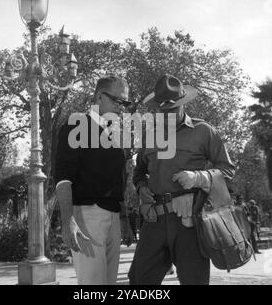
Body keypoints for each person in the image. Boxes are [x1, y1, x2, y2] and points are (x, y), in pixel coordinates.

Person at [129, 74, 235, 285]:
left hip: (190, 223)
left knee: (194, 281)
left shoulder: (204, 131)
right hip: (154, 221)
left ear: (183, 105)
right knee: (138, 281)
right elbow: (139, 171)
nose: (167, 115)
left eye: (173, 110)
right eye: (163, 111)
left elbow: (228, 171)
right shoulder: (149, 135)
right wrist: (141, 187)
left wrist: (198, 178)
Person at [55, 75, 133, 285]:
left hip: (114, 218)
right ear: (99, 97)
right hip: (86, 216)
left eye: (125, 103)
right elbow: (63, 177)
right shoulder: (75, 126)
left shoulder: (118, 132)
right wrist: (67, 220)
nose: (122, 107)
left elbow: (121, 178)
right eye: (118, 101)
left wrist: (125, 219)